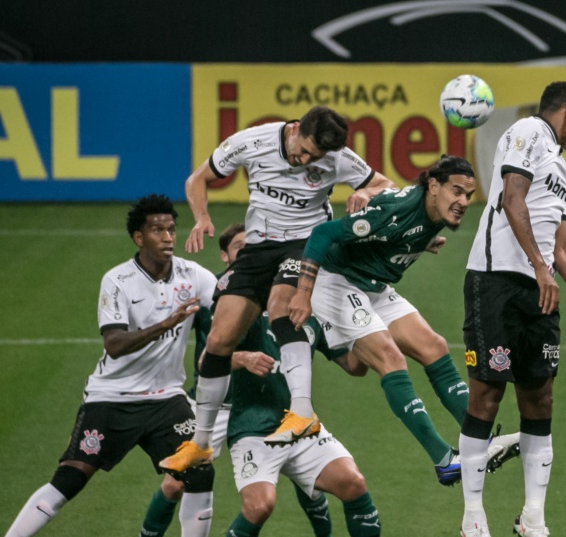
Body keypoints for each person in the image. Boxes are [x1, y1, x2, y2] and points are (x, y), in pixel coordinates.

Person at [0, 194, 219, 537]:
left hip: (166, 400)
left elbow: (228, 298)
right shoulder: (117, 280)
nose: (168, 236)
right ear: (138, 237)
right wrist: (167, 323)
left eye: (172, 228)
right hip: (111, 397)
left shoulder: (194, 275)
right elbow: (115, 344)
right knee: (70, 478)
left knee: (200, 473)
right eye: (158, 230)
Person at [160, 105, 395, 474]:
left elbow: (384, 184)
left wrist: (367, 195)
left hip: (307, 244)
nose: (305, 161)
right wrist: (202, 216)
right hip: (257, 248)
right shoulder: (250, 142)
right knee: (220, 341)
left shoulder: (335, 158)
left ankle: (302, 412)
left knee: (281, 305)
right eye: (303, 151)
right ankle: (201, 444)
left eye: (314, 158)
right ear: (296, 128)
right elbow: (197, 180)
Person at [117, 224, 348, 537]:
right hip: (219, 406)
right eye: (239, 247)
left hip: (271, 403)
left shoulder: (285, 289)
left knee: (311, 484)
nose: (248, 252)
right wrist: (241, 359)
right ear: (225, 256)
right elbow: (204, 360)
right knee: (176, 484)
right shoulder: (219, 295)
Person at [286, 155, 520, 486]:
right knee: (389, 358)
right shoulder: (394, 213)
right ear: (434, 186)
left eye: (468, 195)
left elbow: (392, 212)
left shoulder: (436, 210)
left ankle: (478, 442)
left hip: (374, 284)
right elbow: (323, 234)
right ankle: (444, 460)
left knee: (433, 346)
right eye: (456, 191)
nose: (463, 202)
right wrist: (302, 294)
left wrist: (421, 240)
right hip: (337, 281)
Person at [459, 81, 566, 537]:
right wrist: (539, 266)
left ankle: (533, 518)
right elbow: (512, 198)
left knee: (539, 396)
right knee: (487, 394)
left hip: (538, 292)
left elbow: (559, 242)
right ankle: (473, 515)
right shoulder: (528, 131)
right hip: (497, 281)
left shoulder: (561, 170)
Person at [197, 312, 404, 537]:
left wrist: (368, 332)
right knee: (259, 506)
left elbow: (354, 366)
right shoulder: (248, 311)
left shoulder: (309, 316)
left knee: (353, 482)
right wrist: (244, 358)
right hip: (254, 430)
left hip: (301, 427)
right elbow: (206, 362)